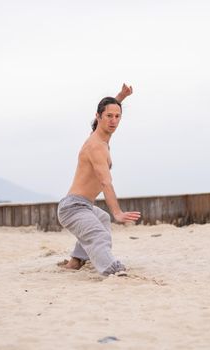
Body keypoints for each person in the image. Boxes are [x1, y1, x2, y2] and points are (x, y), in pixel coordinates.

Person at [57, 84, 141, 276]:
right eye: (109, 116)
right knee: (99, 234)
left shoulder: (101, 138)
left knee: (101, 218)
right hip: (73, 208)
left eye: (117, 116)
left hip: (83, 206)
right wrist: (117, 212)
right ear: (98, 117)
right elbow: (105, 182)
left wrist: (121, 97)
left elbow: (109, 109)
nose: (113, 120)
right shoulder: (96, 146)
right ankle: (112, 270)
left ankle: (76, 260)